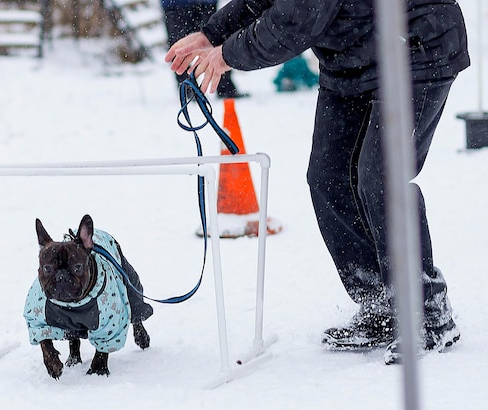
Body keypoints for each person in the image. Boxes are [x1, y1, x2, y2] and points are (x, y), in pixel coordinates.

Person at [165, 0, 470, 365]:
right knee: (327, 177)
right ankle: (379, 304)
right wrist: (211, 33)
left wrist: (227, 54)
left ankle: (427, 313)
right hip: (350, 61)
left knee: (382, 176)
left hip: (416, 49)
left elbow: (295, 19)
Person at [161, 0, 247, 98]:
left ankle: (224, 86)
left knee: (215, 37)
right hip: (176, 4)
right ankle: (186, 89)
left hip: (203, 3)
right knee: (180, 48)